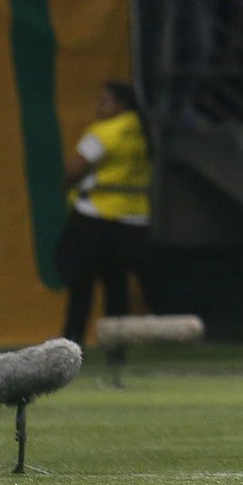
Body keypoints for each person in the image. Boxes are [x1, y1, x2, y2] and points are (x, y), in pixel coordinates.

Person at [55, 81, 154, 357]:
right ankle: (116, 354)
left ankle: (70, 348)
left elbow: (74, 169)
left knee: (81, 287)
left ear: (122, 105)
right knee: (117, 290)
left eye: (104, 102)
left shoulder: (103, 133)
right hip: (132, 221)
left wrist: (65, 186)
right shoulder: (142, 131)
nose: (99, 108)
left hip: (96, 219)